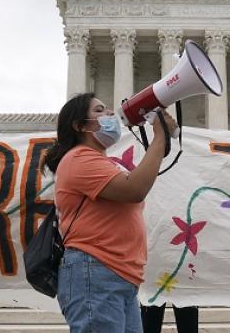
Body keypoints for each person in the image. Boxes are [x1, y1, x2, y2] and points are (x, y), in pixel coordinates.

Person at [44, 92, 175, 333]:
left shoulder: (100, 162)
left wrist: (160, 140)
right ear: (79, 126)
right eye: (99, 110)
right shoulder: (79, 159)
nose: (110, 114)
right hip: (96, 271)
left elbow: (136, 185)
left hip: (117, 275)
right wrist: (159, 137)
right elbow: (135, 189)